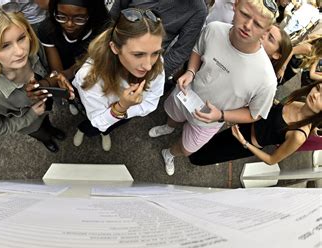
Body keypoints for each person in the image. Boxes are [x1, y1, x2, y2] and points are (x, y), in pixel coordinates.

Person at [149, 0, 279, 176]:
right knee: (172, 115)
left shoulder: (267, 79)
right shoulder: (215, 28)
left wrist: (222, 116)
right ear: (235, 6)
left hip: (211, 120)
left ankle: (169, 153)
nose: (248, 26)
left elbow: (254, 114)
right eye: (245, 14)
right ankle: (168, 127)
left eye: (257, 24)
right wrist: (191, 71)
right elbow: (198, 49)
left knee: (187, 149)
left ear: (266, 31)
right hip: (188, 93)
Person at [0, 4, 74, 153]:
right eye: (5, 46)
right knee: (40, 132)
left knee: (47, 123)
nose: (20, 51)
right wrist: (30, 116)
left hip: (44, 108)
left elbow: (49, 69)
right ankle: (46, 139)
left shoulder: (33, 52)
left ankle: (52, 130)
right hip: (30, 125)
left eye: (22, 38)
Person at [72, 8, 166, 151]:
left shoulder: (157, 63)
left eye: (155, 53)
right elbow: (97, 120)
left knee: (111, 126)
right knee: (92, 126)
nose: (148, 65)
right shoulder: (90, 76)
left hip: (123, 114)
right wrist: (121, 107)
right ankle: (82, 130)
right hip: (94, 111)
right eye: (138, 54)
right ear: (115, 48)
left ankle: (106, 132)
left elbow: (152, 101)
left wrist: (124, 112)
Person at [189, 82, 322, 165]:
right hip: (245, 125)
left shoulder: (299, 135)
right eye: (318, 88)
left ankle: (187, 156)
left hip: (245, 143)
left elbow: (272, 160)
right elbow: (274, 111)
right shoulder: (299, 102)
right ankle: (186, 149)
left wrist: (244, 143)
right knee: (208, 141)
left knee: (202, 157)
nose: (315, 95)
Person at [38, 0, 111, 115]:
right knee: (68, 87)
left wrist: (66, 74)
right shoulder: (47, 29)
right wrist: (41, 85)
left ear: (91, 14)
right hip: (65, 64)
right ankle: (73, 101)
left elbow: (92, 60)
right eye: (61, 16)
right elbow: (57, 71)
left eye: (79, 18)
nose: (69, 24)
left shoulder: (102, 30)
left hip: (90, 66)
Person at [109, 0, 207, 85]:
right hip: (112, 51)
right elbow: (113, 17)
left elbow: (180, 52)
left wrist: (150, 78)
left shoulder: (198, 10)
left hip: (143, 70)